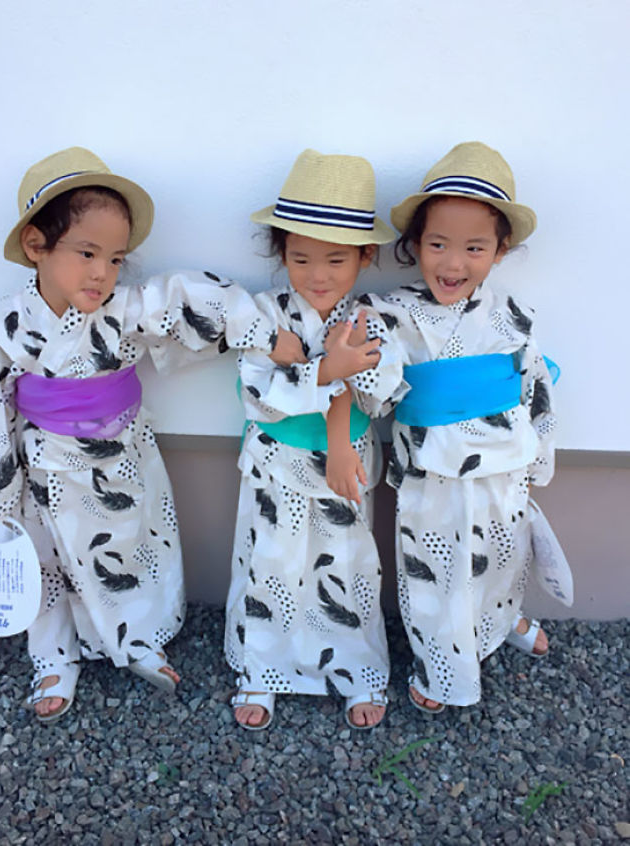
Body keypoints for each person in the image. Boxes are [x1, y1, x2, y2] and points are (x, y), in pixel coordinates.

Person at [0, 146, 300, 723]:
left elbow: (192, 299)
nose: (103, 273)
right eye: (86, 253)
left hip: (122, 459)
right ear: (37, 246)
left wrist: (264, 335)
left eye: (116, 259)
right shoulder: (9, 325)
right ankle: (54, 657)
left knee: (130, 549)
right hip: (45, 469)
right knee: (52, 563)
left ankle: (137, 640)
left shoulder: (124, 309)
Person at [347, 142, 557, 712]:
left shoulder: (511, 316)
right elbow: (371, 383)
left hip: (504, 467)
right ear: (415, 243)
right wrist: (367, 350)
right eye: (437, 244)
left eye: (474, 248)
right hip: (432, 475)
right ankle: (442, 667)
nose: (452, 264)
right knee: (435, 573)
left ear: (500, 250)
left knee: (501, 560)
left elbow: (535, 386)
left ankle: (500, 621)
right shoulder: (393, 312)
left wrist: (538, 457)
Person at [224, 149, 395, 730]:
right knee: (271, 562)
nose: (317, 276)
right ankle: (263, 669)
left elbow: (380, 392)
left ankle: (355, 672)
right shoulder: (264, 314)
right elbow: (258, 393)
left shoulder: (371, 316)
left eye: (335, 260)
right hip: (277, 456)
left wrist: (341, 430)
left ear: (365, 257)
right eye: (300, 258)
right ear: (281, 253)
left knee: (342, 563)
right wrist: (326, 369)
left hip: (342, 458)